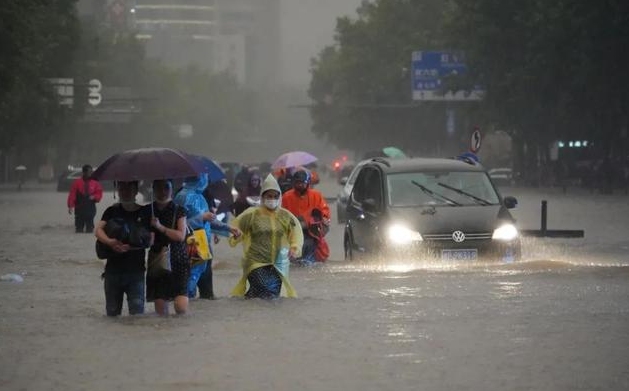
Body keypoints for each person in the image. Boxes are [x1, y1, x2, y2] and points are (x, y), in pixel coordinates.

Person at [229, 175, 303, 299]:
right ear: (262, 197)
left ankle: (251, 308)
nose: (272, 199)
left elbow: (296, 233)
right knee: (265, 288)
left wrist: (294, 248)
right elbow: (235, 230)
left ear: (279, 197)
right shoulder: (252, 214)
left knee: (270, 296)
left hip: (277, 264)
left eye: (275, 196)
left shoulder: (285, 216)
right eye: (269, 196)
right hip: (255, 262)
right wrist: (236, 235)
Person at [174, 174, 240, 299]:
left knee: (207, 295)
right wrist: (201, 218)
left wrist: (228, 228)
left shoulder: (201, 196)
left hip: (204, 249)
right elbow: (178, 225)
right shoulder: (182, 197)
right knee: (188, 289)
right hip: (190, 248)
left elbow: (209, 221)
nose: (206, 180)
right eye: (204, 177)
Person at [95, 181, 152, 317]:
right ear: (118, 190)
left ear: (136, 190)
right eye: (122, 188)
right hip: (113, 272)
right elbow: (98, 230)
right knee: (112, 315)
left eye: (129, 188)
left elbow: (150, 240)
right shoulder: (111, 211)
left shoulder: (145, 212)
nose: (125, 191)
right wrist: (110, 242)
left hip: (136, 272)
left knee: (137, 315)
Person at [148, 179, 189, 316]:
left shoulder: (179, 210)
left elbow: (180, 236)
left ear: (172, 189)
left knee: (181, 308)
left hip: (178, 259)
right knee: (161, 313)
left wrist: (160, 227)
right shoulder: (149, 210)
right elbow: (146, 240)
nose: (163, 191)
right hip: (158, 261)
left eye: (166, 187)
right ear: (153, 189)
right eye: (158, 188)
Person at [282, 170, 331, 264]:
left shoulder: (316, 195)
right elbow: (282, 215)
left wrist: (323, 219)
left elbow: (324, 211)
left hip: (312, 231)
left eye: (302, 183)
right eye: (297, 182)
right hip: (293, 232)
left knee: (314, 252)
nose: (300, 185)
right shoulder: (287, 197)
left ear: (307, 182)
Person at [67, 164, 103, 233]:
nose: (91, 174)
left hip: (90, 209)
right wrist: (70, 206)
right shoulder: (76, 183)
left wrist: (94, 196)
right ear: (84, 173)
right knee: (79, 229)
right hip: (79, 209)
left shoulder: (95, 183)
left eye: (91, 172)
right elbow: (72, 195)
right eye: (89, 172)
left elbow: (99, 193)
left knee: (89, 230)